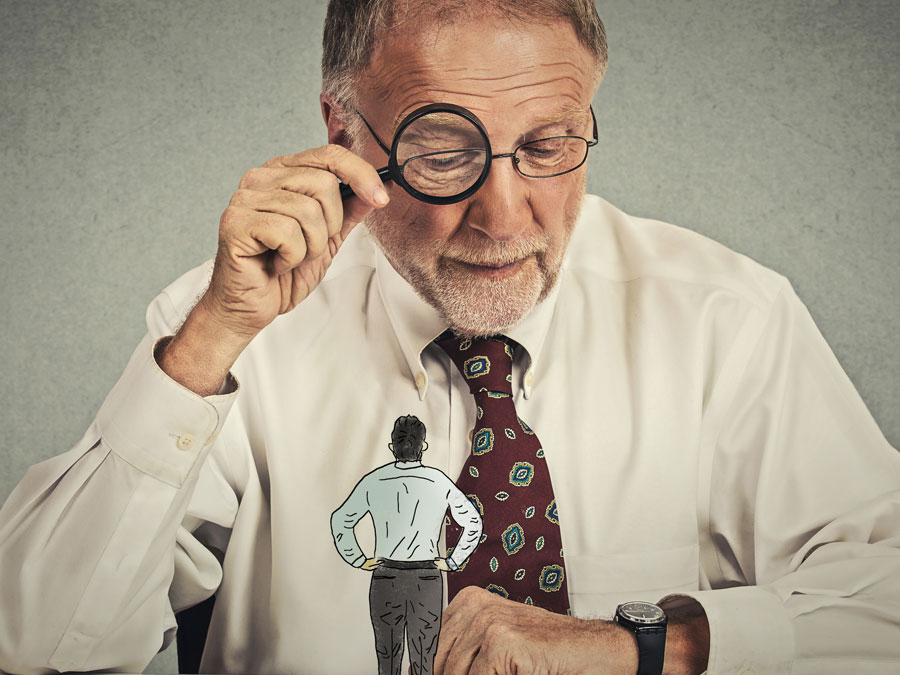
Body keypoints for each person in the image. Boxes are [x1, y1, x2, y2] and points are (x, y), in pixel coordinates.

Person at [0, 0, 898, 673]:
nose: (504, 216)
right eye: (442, 152)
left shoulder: (725, 317)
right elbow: (35, 646)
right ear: (343, 132)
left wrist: (645, 645)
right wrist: (208, 344)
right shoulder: (234, 329)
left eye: (548, 146)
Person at [331, 415, 482, 675]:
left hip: (386, 577)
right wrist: (453, 560)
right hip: (426, 578)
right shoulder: (438, 481)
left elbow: (340, 520)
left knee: (387, 658)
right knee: (424, 660)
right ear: (423, 446)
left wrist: (358, 558)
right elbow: (473, 522)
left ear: (392, 447)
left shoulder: (374, 480)